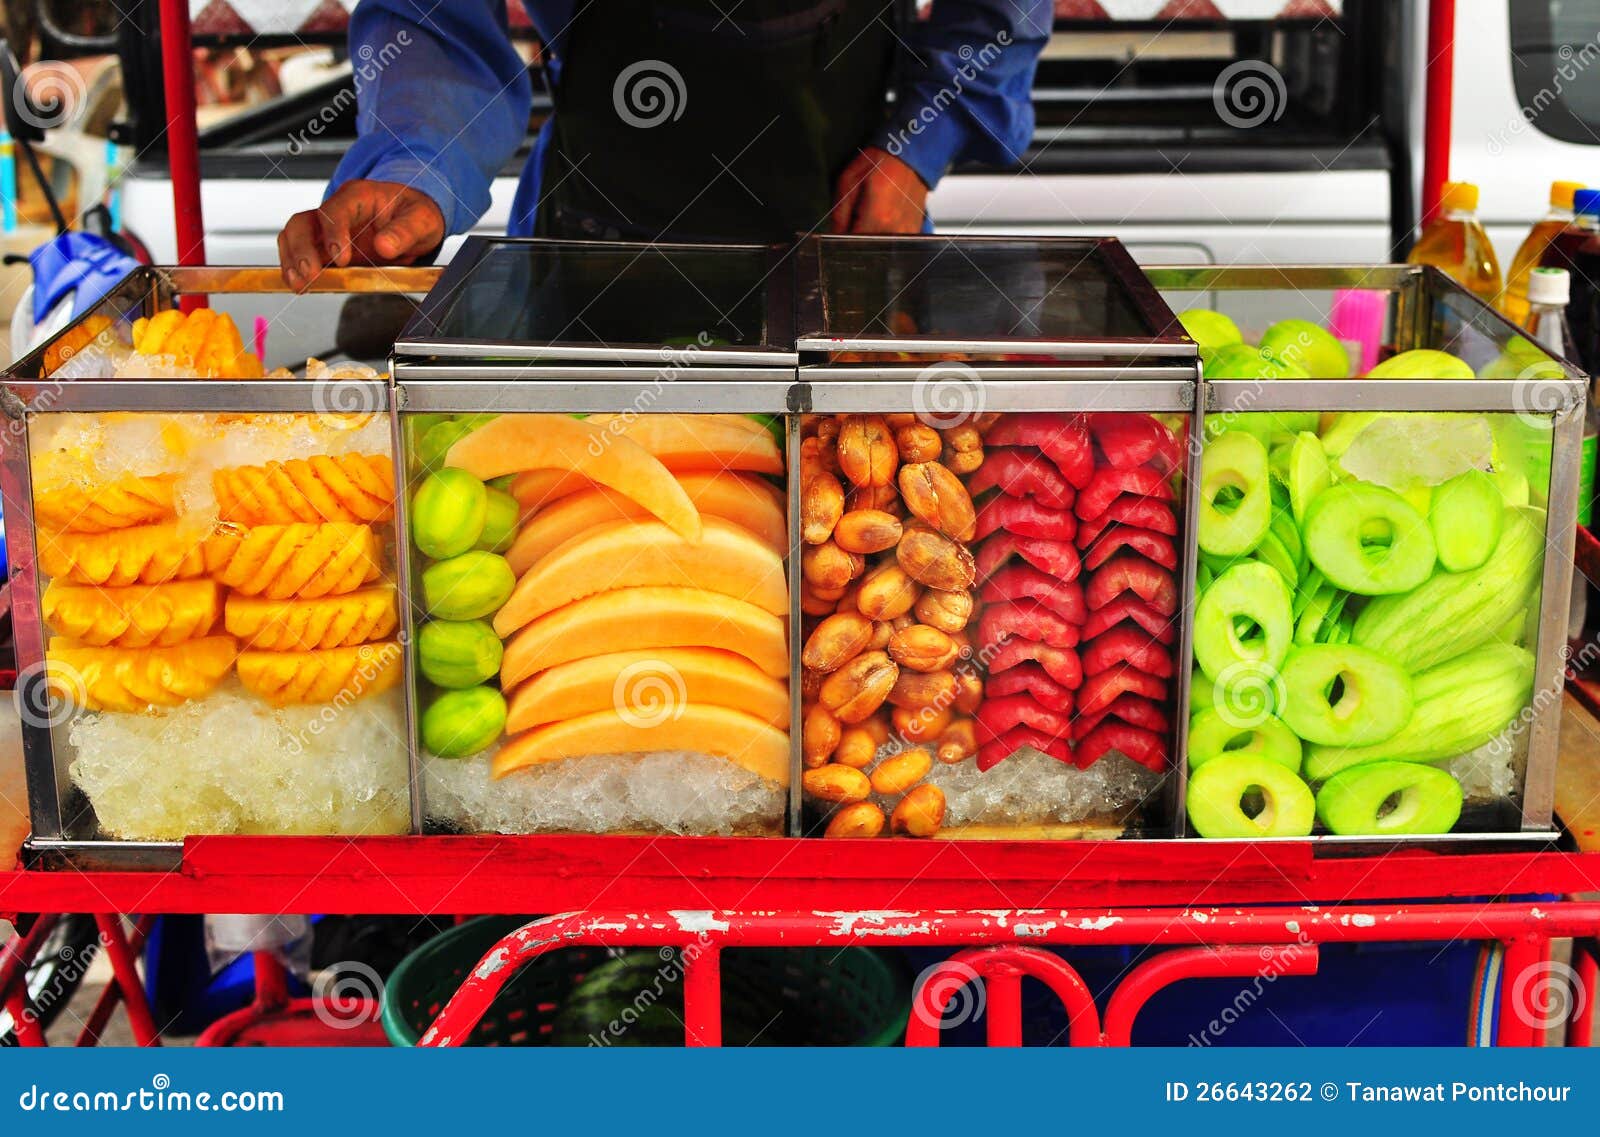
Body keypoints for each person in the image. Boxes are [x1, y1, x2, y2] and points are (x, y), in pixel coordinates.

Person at [279, 0, 1050, 288]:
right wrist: (420, 163)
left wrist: (919, 145)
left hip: (844, 242)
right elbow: (436, 17)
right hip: (592, 255)